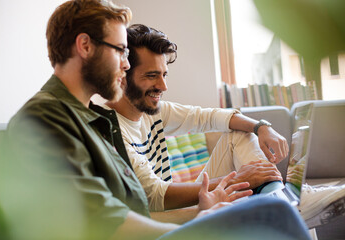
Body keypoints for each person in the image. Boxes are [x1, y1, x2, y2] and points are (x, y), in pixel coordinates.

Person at [6, 1, 311, 239]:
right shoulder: (44, 117)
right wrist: (200, 224)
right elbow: (108, 223)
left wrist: (203, 211)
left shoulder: (90, 118)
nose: (125, 64)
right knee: (272, 211)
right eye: (120, 51)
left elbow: (132, 205)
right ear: (85, 46)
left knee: (269, 210)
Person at [104, 23, 344, 229]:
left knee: (239, 134)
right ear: (122, 75)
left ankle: (288, 203)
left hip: (182, 203)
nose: (163, 86)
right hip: (163, 219)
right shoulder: (112, 132)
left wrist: (262, 127)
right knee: (290, 205)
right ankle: (290, 205)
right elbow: (157, 197)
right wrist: (240, 178)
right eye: (151, 76)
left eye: (164, 74)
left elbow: (210, 117)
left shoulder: (152, 112)